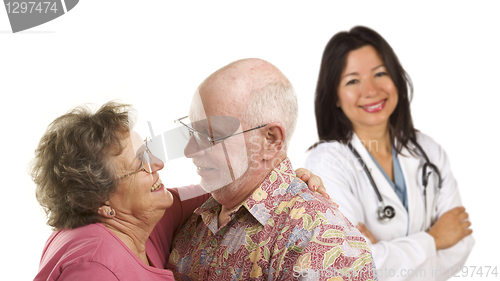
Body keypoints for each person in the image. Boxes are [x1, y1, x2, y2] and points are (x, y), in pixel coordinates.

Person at [31, 102, 326, 280]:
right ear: (101, 200)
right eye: (141, 163)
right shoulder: (94, 267)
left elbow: (220, 190)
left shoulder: (146, 218)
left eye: (149, 150)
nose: (158, 163)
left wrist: (283, 178)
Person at [167, 58, 376, 280]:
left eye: (209, 136)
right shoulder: (194, 218)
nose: (189, 151)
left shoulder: (321, 239)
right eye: (191, 132)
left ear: (271, 140)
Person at [305, 26, 474, 281]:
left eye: (380, 73)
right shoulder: (326, 163)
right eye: (352, 80)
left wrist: (381, 254)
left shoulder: (428, 151)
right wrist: (434, 239)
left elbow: (461, 242)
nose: (371, 90)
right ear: (335, 97)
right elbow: (349, 266)